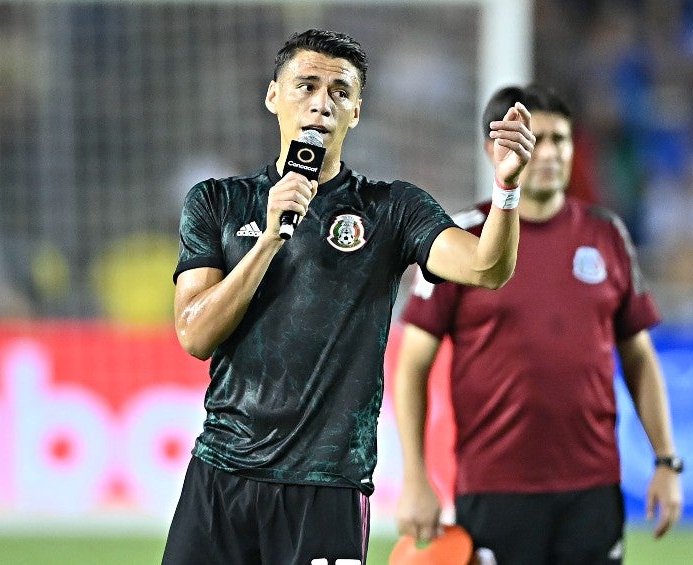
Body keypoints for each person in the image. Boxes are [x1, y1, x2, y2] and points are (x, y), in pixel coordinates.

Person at [163, 29, 534, 565]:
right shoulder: (218, 201)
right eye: (306, 85)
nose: (322, 102)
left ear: (356, 112)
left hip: (328, 486)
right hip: (222, 475)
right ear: (273, 96)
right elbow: (194, 335)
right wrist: (270, 239)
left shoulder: (392, 210)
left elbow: (487, 268)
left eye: (340, 92)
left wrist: (507, 190)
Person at [394, 84, 683, 565]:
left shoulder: (606, 235)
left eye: (561, 140)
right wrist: (416, 478)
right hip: (495, 487)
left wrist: (666, 460)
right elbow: (412, 366)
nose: (548, 153)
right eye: (536, 138)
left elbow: (639, 357)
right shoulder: (461, 238)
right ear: (495, 148)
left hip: (592, 487)